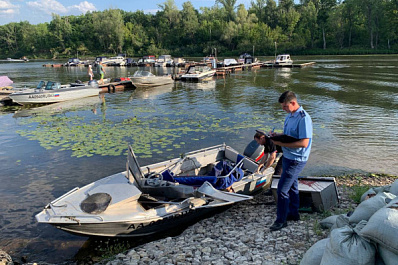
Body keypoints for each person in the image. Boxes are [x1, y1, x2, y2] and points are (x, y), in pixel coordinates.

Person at [269, 91, 313, 231]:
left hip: (297, 159)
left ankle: (281, 220)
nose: (283, 109)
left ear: (293, 103)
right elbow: (289, 135)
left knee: (282, 189)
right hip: (288, 156)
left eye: (285, 106)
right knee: (293, 187)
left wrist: (280, 144)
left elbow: (304, 143)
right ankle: (294, 213)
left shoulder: (303, 118)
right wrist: (278, 136)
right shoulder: (290, 116)